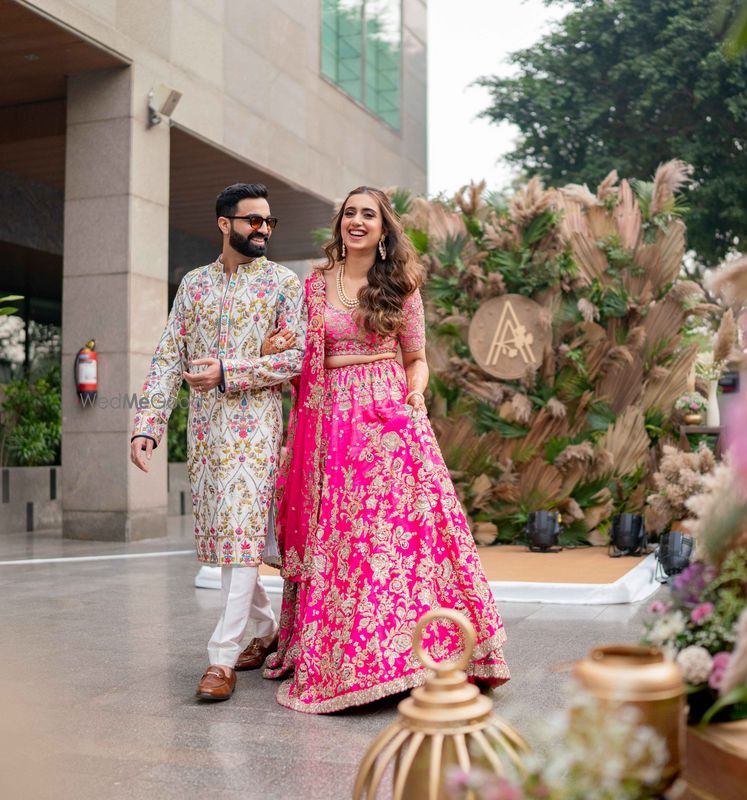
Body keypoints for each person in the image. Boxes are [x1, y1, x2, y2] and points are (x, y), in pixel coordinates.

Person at [261, 186, 509, 713]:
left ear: (383, 228)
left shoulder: (400, 285)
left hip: (390, 419)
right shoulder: (313, 287)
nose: (356, 221)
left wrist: (414, 392)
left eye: (367, 215)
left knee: (409, 536)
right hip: (332, 423)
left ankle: (418, 656)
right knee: (347, 538)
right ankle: (355, 658)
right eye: (349, 213)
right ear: (340, 225)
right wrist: (280, 348)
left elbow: (416, 358)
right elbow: (300, 352)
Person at [130, 183, 305, 702]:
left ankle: (221, 658)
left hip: (256, 432)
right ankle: (267, 630)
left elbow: (295, 360)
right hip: (205, 435)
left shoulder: (282, 285)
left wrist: (232, 370)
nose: (264, 230)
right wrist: (147, 423)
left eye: (269, 222)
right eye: (253, 221)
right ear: (225, 224)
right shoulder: (193, 286)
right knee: (230, 543)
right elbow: (167, 356)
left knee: (241, 539)